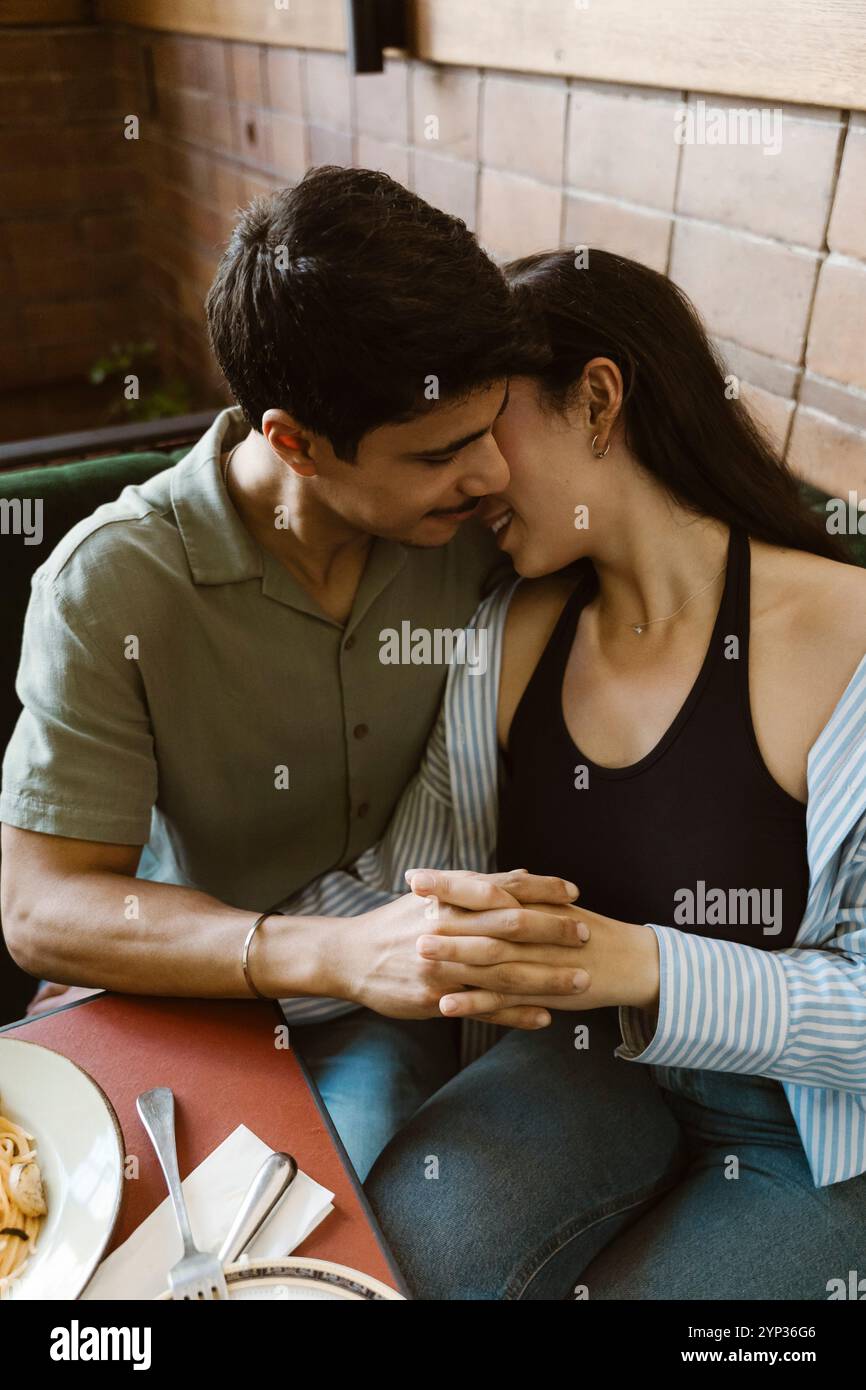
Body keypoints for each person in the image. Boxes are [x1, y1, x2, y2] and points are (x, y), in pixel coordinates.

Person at [290, 248, 866, 1298]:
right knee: (398, 1266)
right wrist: (182, 952)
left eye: (483, 424)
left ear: (596, 400)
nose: (468, 478)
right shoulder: (506, 635)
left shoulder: (847, 638)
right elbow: (397, 884)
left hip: (801, 1122)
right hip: (577, 1064)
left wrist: (640, 962)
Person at [0, 168, 578, 1183]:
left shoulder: (483, 527)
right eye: (441, 453)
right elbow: (42, 907)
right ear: (294, 444)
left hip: (377, 1020)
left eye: (490, 428)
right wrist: (327, 951)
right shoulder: (113, 586)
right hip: (168, 994)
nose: (489, 473)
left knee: (318, 1230)